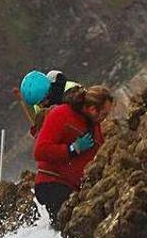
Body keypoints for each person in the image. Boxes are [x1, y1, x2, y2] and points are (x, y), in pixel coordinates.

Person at [33, 85, 115, 226]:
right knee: (68, 230)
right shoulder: (61, 114)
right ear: (92, 109)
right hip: (53, 183)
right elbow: (40, 151)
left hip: (74, 188)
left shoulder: (93, 124)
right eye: (104, 115)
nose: (105, 119)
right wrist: (72, 149)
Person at [19, 70, 83, 136]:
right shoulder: (38, 106)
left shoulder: (72, 90)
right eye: (38, 104)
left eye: (42, 101)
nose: (41, 105)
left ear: (48, 92)